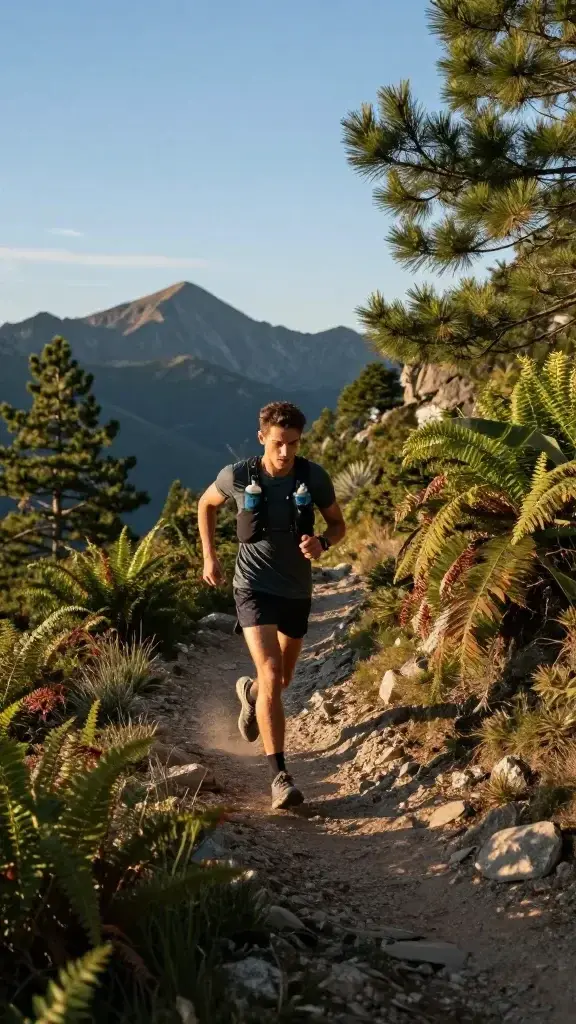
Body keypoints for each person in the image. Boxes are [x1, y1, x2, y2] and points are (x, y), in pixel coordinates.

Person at [198, 401, 345, 809]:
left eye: (293, 444)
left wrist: (324, 543)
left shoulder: (312, 476)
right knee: (271, 670)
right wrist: (210, 556)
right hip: (252, 586)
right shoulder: (238, 476)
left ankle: (249, 695)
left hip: (296, 590)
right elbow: (205, 505)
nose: (286, 453)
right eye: (279, 444)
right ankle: (280, 776)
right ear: (263, 437)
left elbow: (338, 523)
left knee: (278, 683)